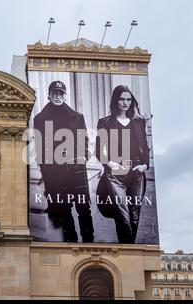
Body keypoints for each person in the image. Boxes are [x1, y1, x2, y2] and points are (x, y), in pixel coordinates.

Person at [33, 81, 94, 243]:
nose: (58, 96)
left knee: (84, 207)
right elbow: (40, 148)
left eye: (61, 93)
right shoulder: (39, 119)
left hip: (76, 167)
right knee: (64, 208)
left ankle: (89, 240)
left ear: (65, 96)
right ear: (49, 95)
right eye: (55, 93)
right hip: (55, 170)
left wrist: (83, 158)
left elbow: (85, 139)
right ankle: (71, 241)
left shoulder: (78, 117)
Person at [95, 85, 150, 243]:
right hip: (116, 174)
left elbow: (144, 147)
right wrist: (111, 164)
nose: (125, 102)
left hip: (137, 172)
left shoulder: (139, 122)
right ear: (115, 100)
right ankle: (128, 253)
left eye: (128, 99)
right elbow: (99, 149)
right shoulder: (104, 122)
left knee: (134, 217)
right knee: (123, 217)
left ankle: (128, 250)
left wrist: (144, 166)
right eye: (121, 99)